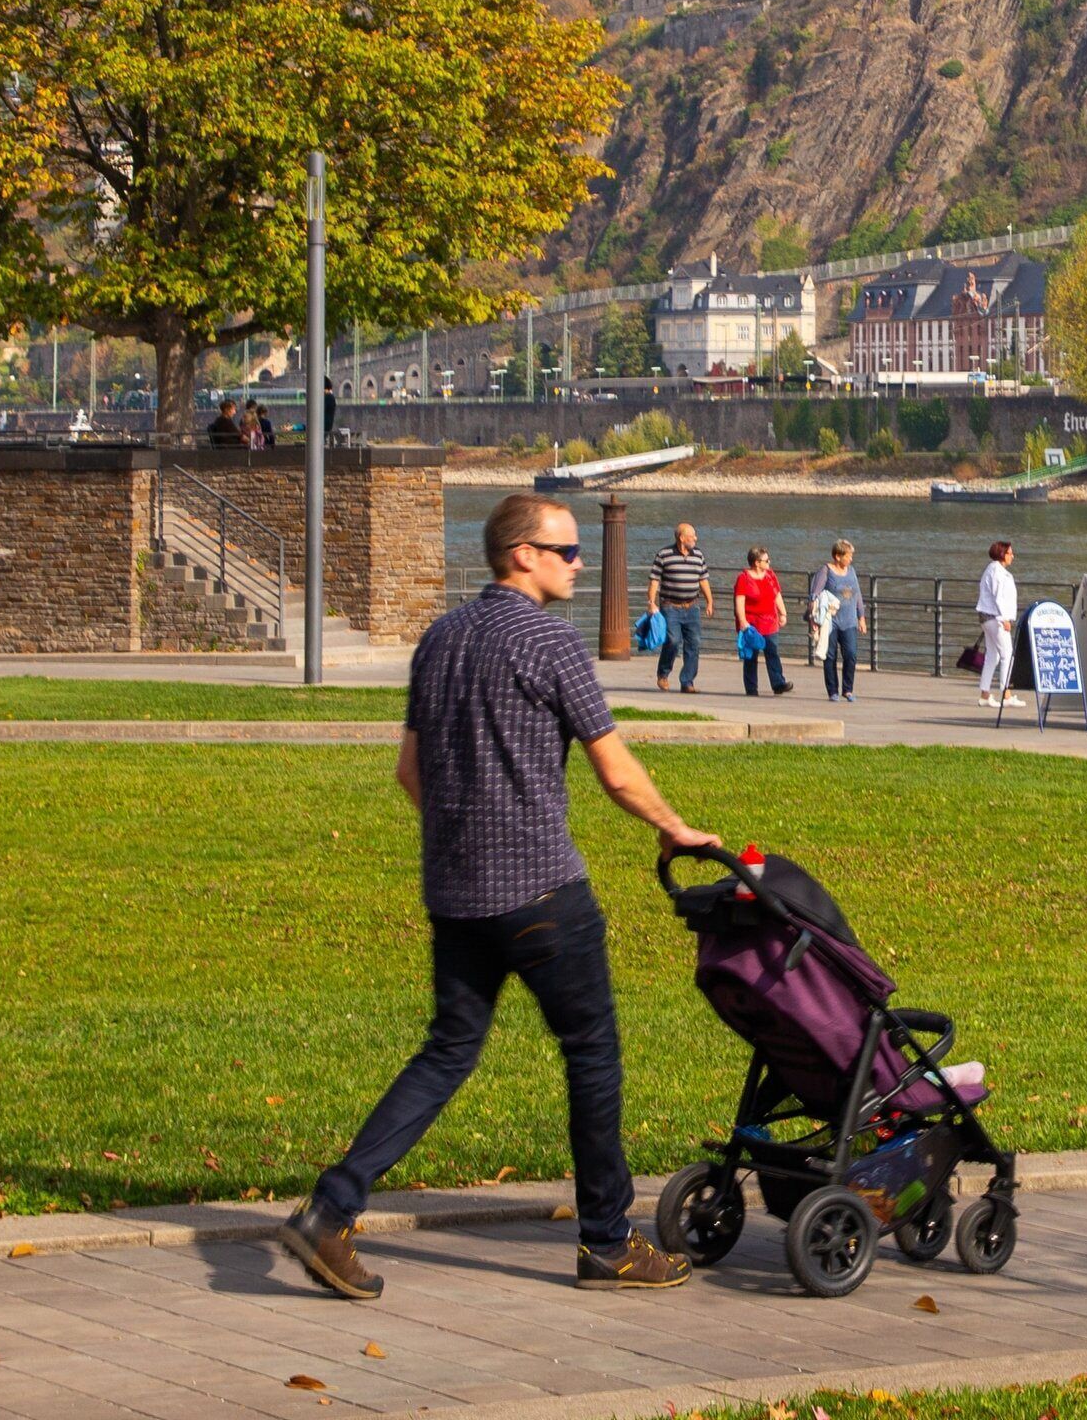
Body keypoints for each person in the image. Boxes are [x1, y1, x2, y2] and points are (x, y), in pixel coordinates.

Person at [282, 492, 717, 1300]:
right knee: (591, 1054)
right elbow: (615, 769)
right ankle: (608, 1242)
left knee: (448, 1050)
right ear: (522, 553)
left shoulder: (440, 638)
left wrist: (465, 842)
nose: (579, 563)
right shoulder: (551, 642)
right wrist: (676, 829)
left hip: (456, 893)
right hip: (545, 892)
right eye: (567, 550)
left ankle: (331, 1210)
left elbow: (410, 774)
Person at [645, 523, 712, 693]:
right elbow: (654, 580)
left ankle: (687, 681)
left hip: (692, 606)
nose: (696, 538)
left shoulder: (698, 555)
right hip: (670, 607)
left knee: (694, 643)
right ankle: (663, 674)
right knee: (673, 641)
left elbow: (703, 580)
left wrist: (710, 601)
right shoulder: (664, 555)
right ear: (682, 538)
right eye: (692, 535)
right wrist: (651, 602)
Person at [731, 547, 793, 697]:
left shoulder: (770, 576)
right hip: (751, 622)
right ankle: (751, 688)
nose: (769, 562)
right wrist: (743, 621)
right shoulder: (744, 578)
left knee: (772, 651)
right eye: (766, 560)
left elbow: (777, 595)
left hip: (770, 620)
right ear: (757, 563)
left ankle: (778, 683)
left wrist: (783, 613)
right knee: (751, 655)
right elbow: (740, 601)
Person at [811, 540, 867, 703]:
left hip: (849, 620)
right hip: (830, 621)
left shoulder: (851, 571)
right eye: (848, 556)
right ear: (837, 556)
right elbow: (815, 594)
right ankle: (833, 691)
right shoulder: (825, 571)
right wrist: (813, 618)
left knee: (851, 654)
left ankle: (848, 689)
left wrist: (861, 617)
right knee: (830, 655)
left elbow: (857, 595)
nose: (851, 559)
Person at [973, 539, 1018, 707]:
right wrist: (1004, 618)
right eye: (1010, 553)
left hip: (988, 617)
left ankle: (985, 695)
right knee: (1007, 654)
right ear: (1002, 554)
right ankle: (1006, 694)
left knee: (993, 656)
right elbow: (998, 597)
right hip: (994, 618)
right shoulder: (997, 572)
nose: (1012, 556)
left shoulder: (993, 570)